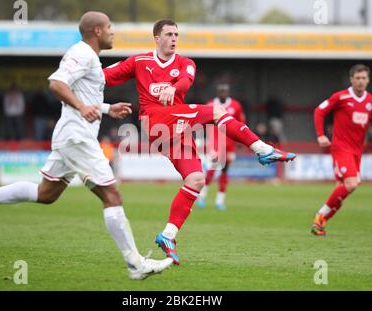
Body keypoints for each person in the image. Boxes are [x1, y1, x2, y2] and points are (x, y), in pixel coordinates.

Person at [0, 11, 173, 280]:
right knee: (112, 196)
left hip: (71, 135)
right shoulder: (82, 53)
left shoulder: (88, 56)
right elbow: (56, 84)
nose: (113, 31)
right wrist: (82, 107)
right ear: (97, 32)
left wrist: (105, 108)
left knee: (46, 194)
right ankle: (135, 264)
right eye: (109, 27)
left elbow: (80, 93)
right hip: (76, 136)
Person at [103, 19, 296, 265]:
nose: (174, 38)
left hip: (177, 130)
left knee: (196, 179)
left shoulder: (185, 63)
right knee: (215, 112)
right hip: (155, 121)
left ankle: (168, 235)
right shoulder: (139, 61)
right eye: (169, 34)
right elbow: (105, 76)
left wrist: (174, 88)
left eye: (176, 34)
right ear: (156, 38)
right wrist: (82, 74)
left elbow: (186, 80)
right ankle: (263, 149)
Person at [311, 64, 372, 236]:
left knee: (343, 187)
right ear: (351, 79)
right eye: (358, 78)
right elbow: (319, 111)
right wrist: (320, 135)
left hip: (357, 151)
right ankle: (320, 215)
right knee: (352, 183)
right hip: (341, 147)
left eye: (364, 78)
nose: (361, 81)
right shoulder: (341, 97)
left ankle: (321, 224)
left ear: (368, 80)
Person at [197, 83, 246, 211]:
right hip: (215, 141)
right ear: (217, 93)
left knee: (225, 170)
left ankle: (220, 200)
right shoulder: (210, 104)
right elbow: (203, 121)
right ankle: (202, 196)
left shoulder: (236, 105)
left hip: (230, 143)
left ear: (228, 92)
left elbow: (241, 122)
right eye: (221, 91)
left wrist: (241, 139)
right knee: (213, 168)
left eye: (225, 91)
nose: (223, 93)